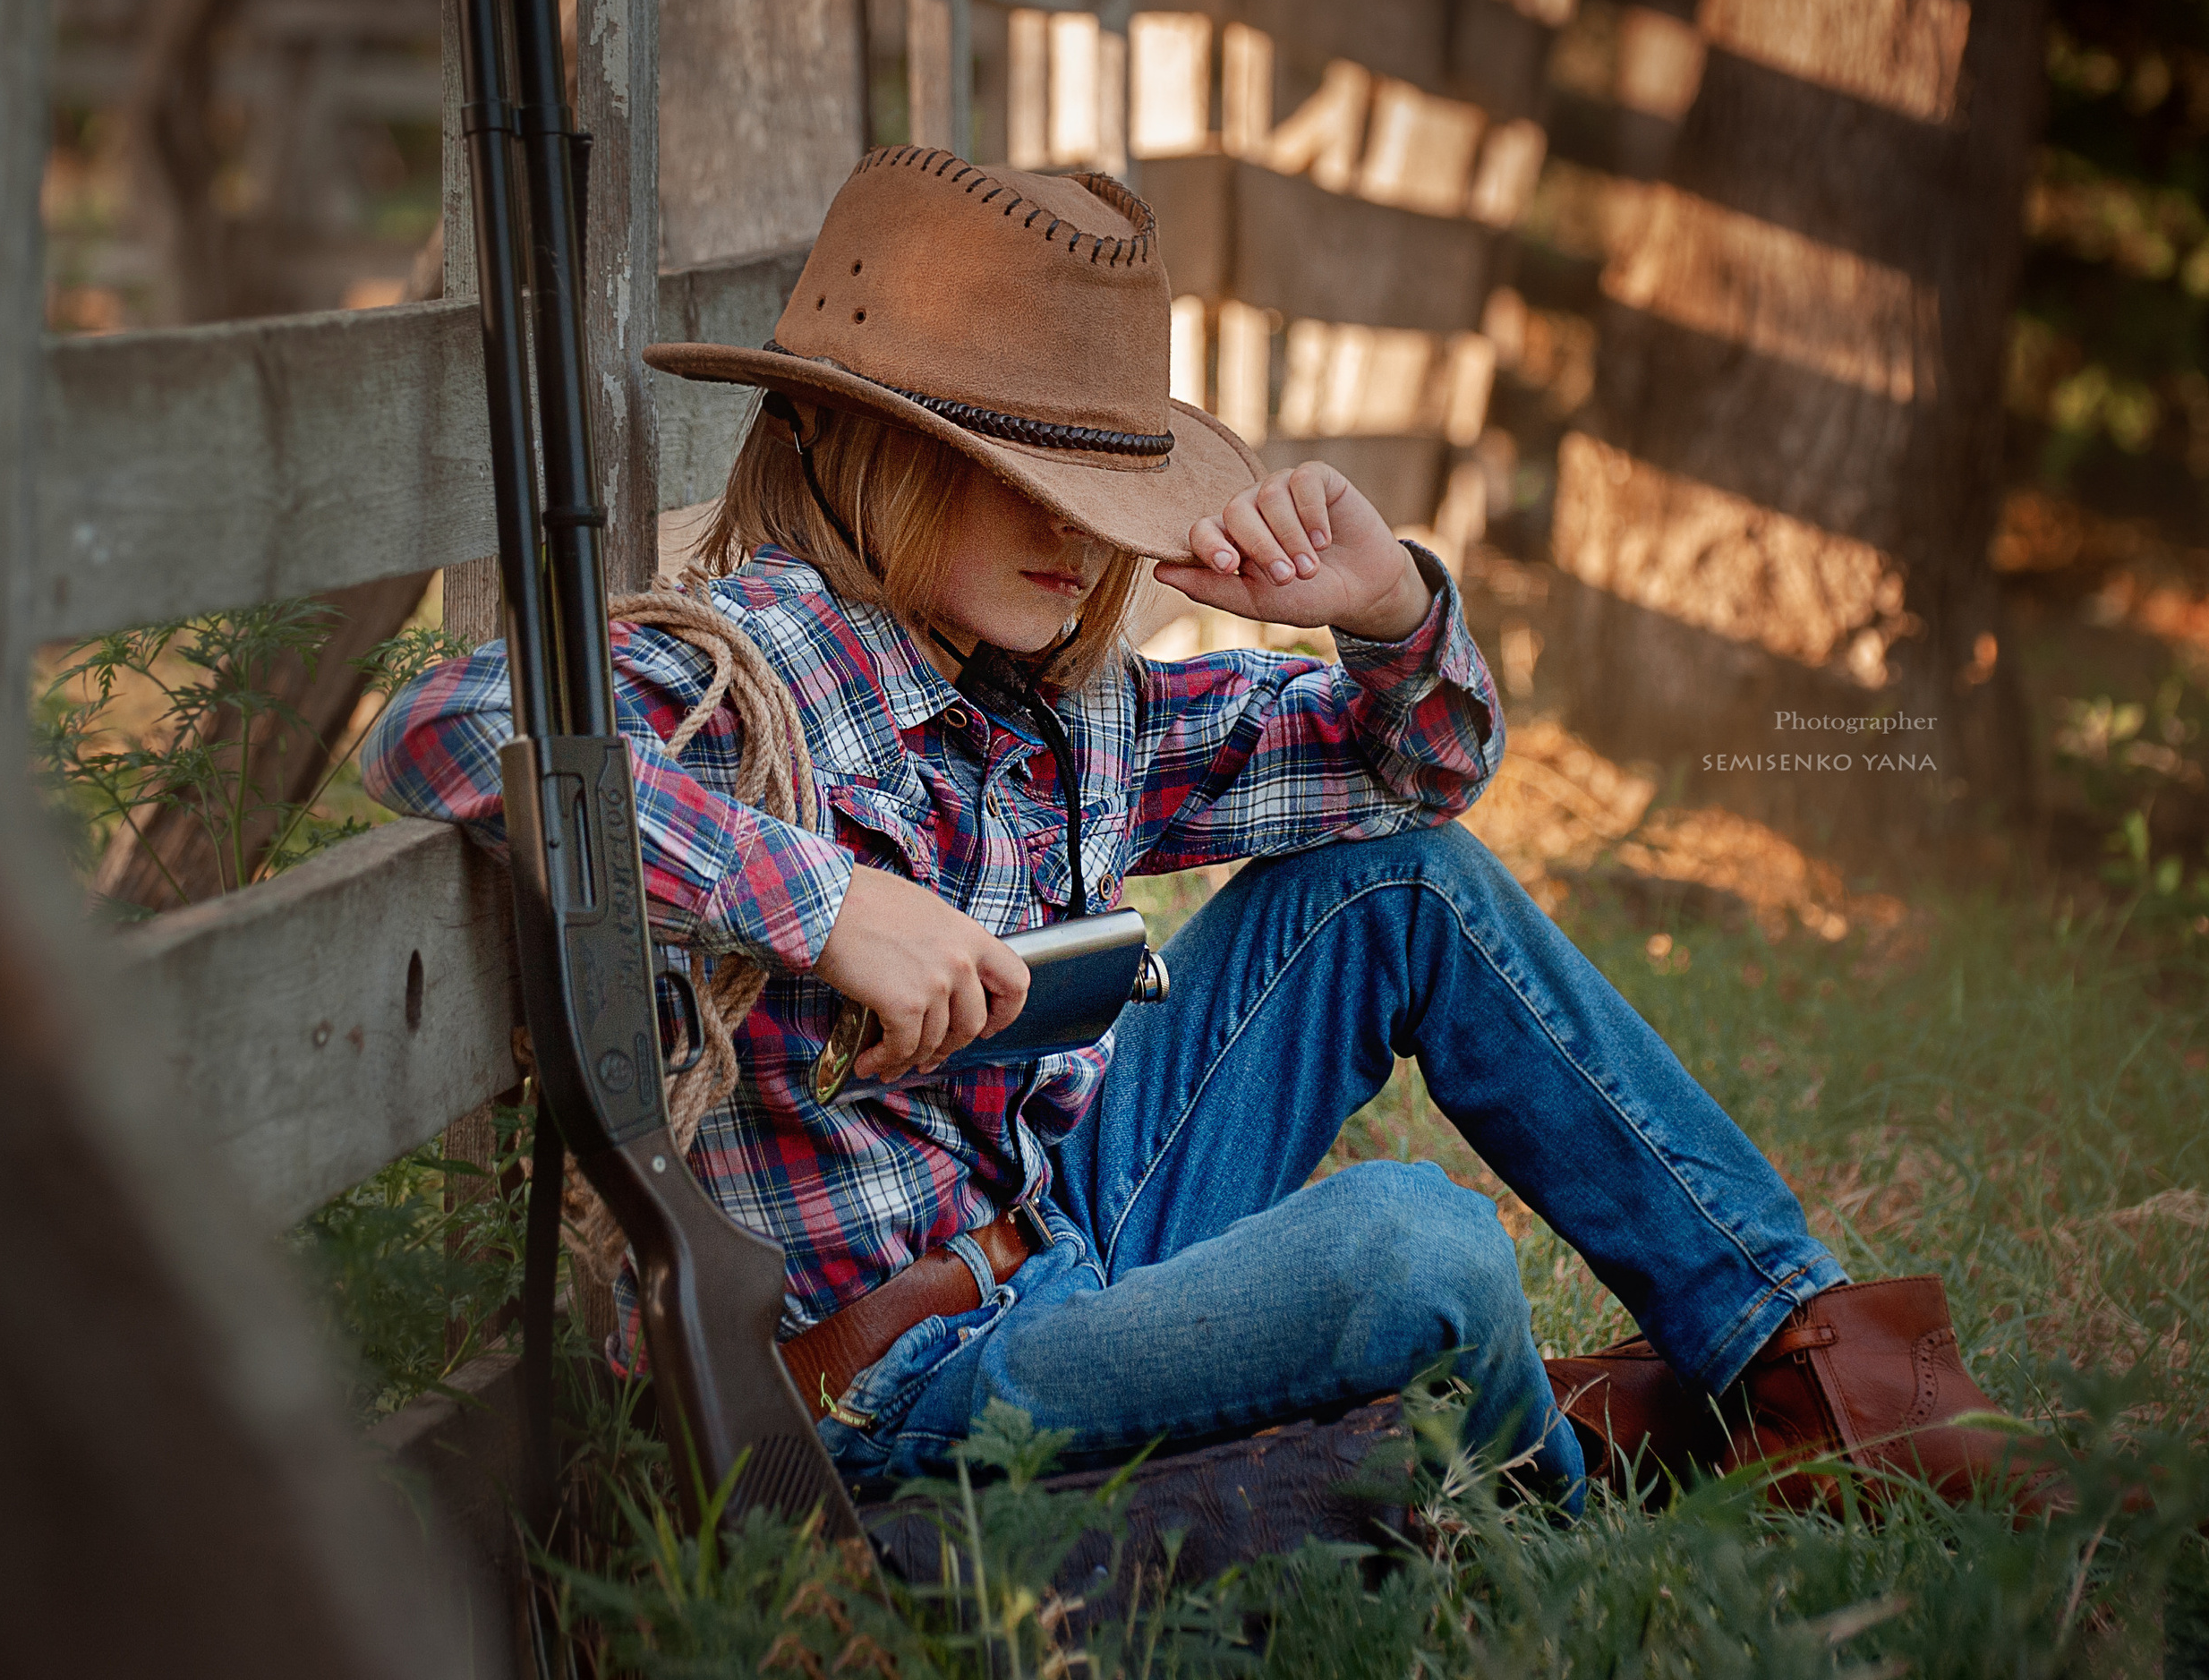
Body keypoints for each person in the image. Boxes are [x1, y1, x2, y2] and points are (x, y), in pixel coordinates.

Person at [363, 147, 2034, 1512]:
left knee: (1403, 890)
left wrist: (1387, 611)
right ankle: (1559, 1486)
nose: (1077, 540)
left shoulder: (1060, 703)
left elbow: (1413, 775)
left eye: (1102, 490)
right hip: (908, 1371)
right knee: (1416, 1239)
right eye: (1013, 471)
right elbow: (453, 726)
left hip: (1085, 1217)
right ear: (870, 445)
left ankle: (1809, 1362)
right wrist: (825, 900)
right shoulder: (757, 669)